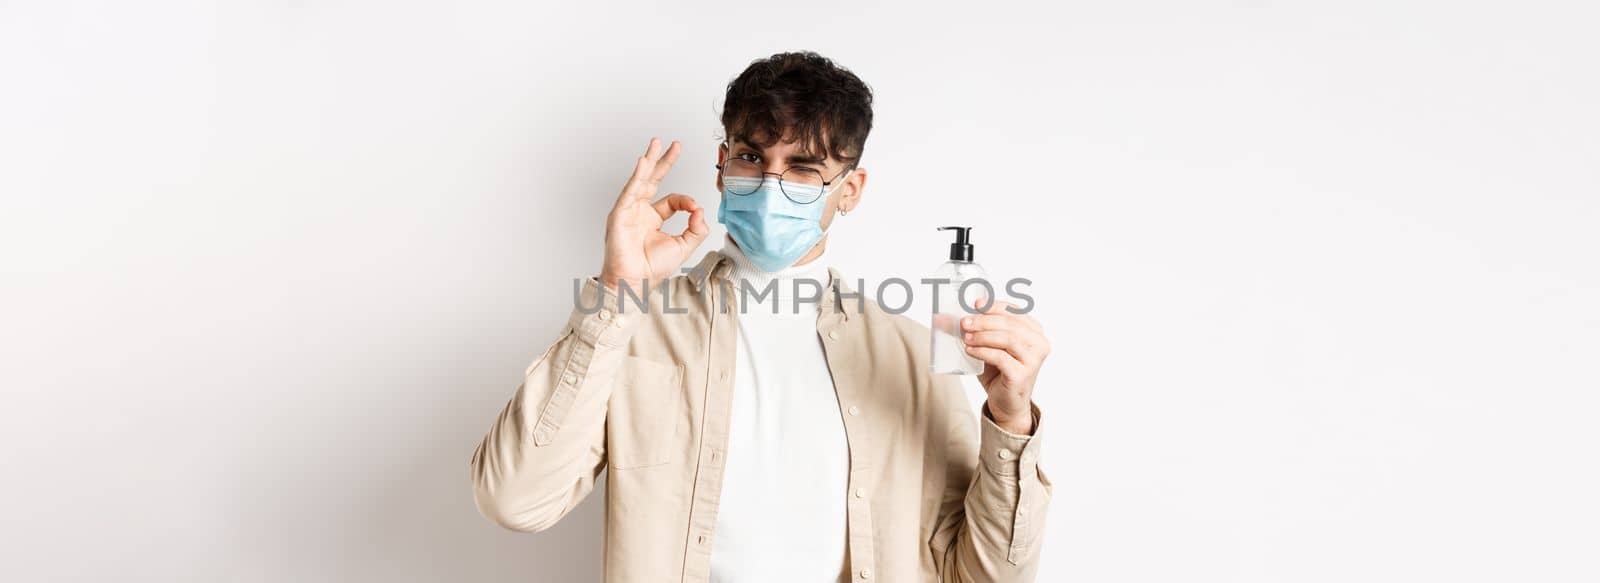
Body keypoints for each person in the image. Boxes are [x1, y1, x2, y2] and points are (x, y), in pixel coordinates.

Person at [471, 51, 1054, 583]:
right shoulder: (636, 327)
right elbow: (515, 501)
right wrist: (617, 292)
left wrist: (1009, 419)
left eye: (804, 168)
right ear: (723, 167)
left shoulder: (909, 355)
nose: (771, 185)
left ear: (849, 191)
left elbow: (983, 577)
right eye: (753, 157)